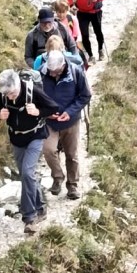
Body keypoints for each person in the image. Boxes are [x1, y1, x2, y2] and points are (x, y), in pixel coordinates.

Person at [0, 68, 60, 234]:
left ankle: (29, 218)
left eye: (12, 94)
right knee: (26, 174)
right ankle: (41, 207)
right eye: (7, 94)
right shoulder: (2, 95)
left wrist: (38, 112)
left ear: (18, 85)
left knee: (27, 174)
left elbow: (53, 107)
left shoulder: (33, 91)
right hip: (16, 139)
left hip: (35, 136)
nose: (10, 97)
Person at [41, 50, 92, 200]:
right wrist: (46, 112)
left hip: (71, 121)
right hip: (49, 121)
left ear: (63, 65)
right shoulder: (41, 74)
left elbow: (85, 95)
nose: (52, 74)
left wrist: (70, 112)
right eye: (50, 70)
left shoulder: (76, 72)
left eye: (55, 71)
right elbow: (35, 98)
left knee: (71, 154)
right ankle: (58, 177)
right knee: (48, 150)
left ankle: (72, 185)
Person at [67, 0, 107, 64]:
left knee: (98, 31)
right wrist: (71, 5)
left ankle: (100, 49)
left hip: (95, 12)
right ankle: (90, 55)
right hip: (82, 12)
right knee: (84, 35)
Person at [54, 0, 89, 68]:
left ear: (67, 10)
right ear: (56, 11)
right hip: (57, 45)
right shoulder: (53, 21)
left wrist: (77, 42)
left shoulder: (72, 19)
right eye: (59, 12)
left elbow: (77, 34)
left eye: (63, 12)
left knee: (80, 57)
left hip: (71, 44)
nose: (61, 15)